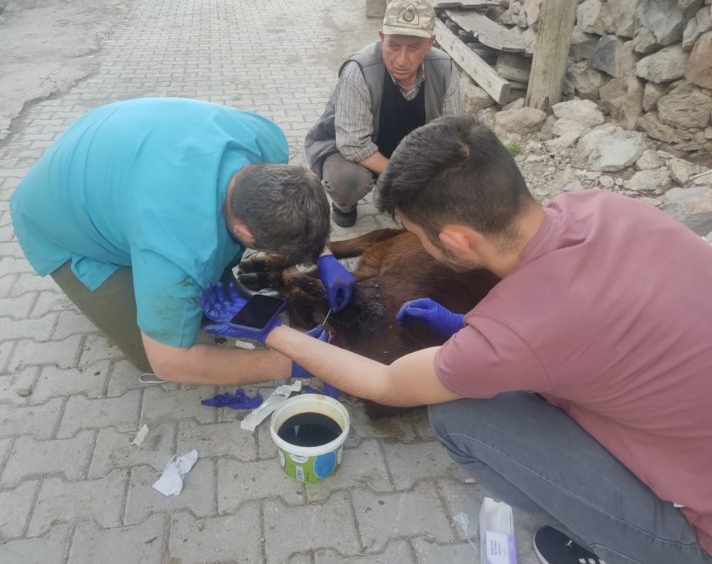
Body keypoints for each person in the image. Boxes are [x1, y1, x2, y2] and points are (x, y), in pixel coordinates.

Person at [200, 115, 712, 564]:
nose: (417, 244)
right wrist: (465, 326)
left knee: (458, 415)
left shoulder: (516, 332)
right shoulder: (599, 207)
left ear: (456, 240)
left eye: (419, 236)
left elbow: (386, 384)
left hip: (697, 535)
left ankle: (618, 546)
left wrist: (274, 335)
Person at [10, 97, 355, 385]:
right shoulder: (176, 246)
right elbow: (169, 363)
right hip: (56, 215)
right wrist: (289, 365)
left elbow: (292, 201)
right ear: (247, 234)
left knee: (201, 290)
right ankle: (102, 268)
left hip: (109, 141)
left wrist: (323, 255)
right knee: (152, 349)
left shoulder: (261, 141)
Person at [304, 0, 463, 228]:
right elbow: (353, 144)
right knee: (348, 179)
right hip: (353, 151)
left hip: (410, 152)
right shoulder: (359, 71)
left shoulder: (444, 68)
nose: (401, 59)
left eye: (414, 48)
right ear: (381, 38)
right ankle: (344, 205)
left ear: (430, 44)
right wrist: (404, 176)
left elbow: (454, 134)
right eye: (394, 46)